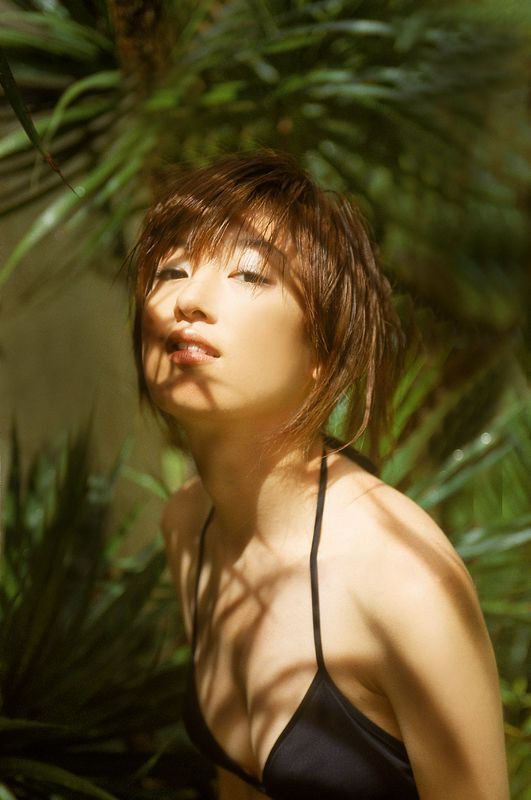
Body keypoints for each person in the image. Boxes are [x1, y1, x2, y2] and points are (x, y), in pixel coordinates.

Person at [130, 151, 509, 800]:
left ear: (323, 350)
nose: (187, 300)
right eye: (173, 270)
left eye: (250, 274)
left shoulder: (405, 582)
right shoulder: (188, 528)